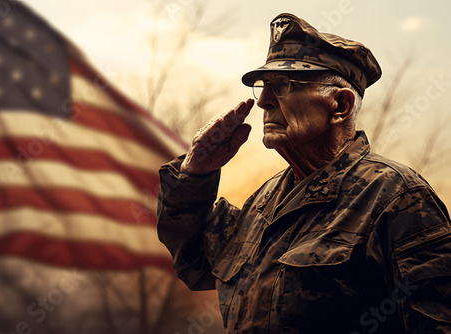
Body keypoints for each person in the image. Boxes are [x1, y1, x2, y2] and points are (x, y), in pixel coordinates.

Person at [157, 13, 451, 333]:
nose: (265, 101)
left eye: (283, 85)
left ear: (340, 105)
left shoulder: (397, 198)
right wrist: (194, 175)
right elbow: (195, 263)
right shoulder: (262, 202)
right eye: (264, 86)